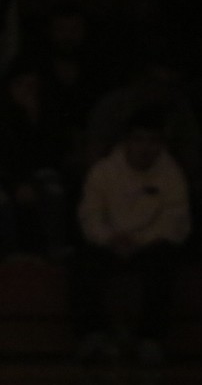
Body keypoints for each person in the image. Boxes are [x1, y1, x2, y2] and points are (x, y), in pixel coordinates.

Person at [71, 106, 191, 364]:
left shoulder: (171, 174)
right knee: (82, 261)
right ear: (126, 141)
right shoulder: (104, 171)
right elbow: (90, 214)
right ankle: (93, 334)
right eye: (139, 139)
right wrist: (109, 238)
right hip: (110, 243)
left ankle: (151, 338)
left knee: (164, 262)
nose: (145, 148)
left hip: (149, 246)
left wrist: (142, 241)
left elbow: (176, 219)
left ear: (161, 144)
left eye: (153, 141)